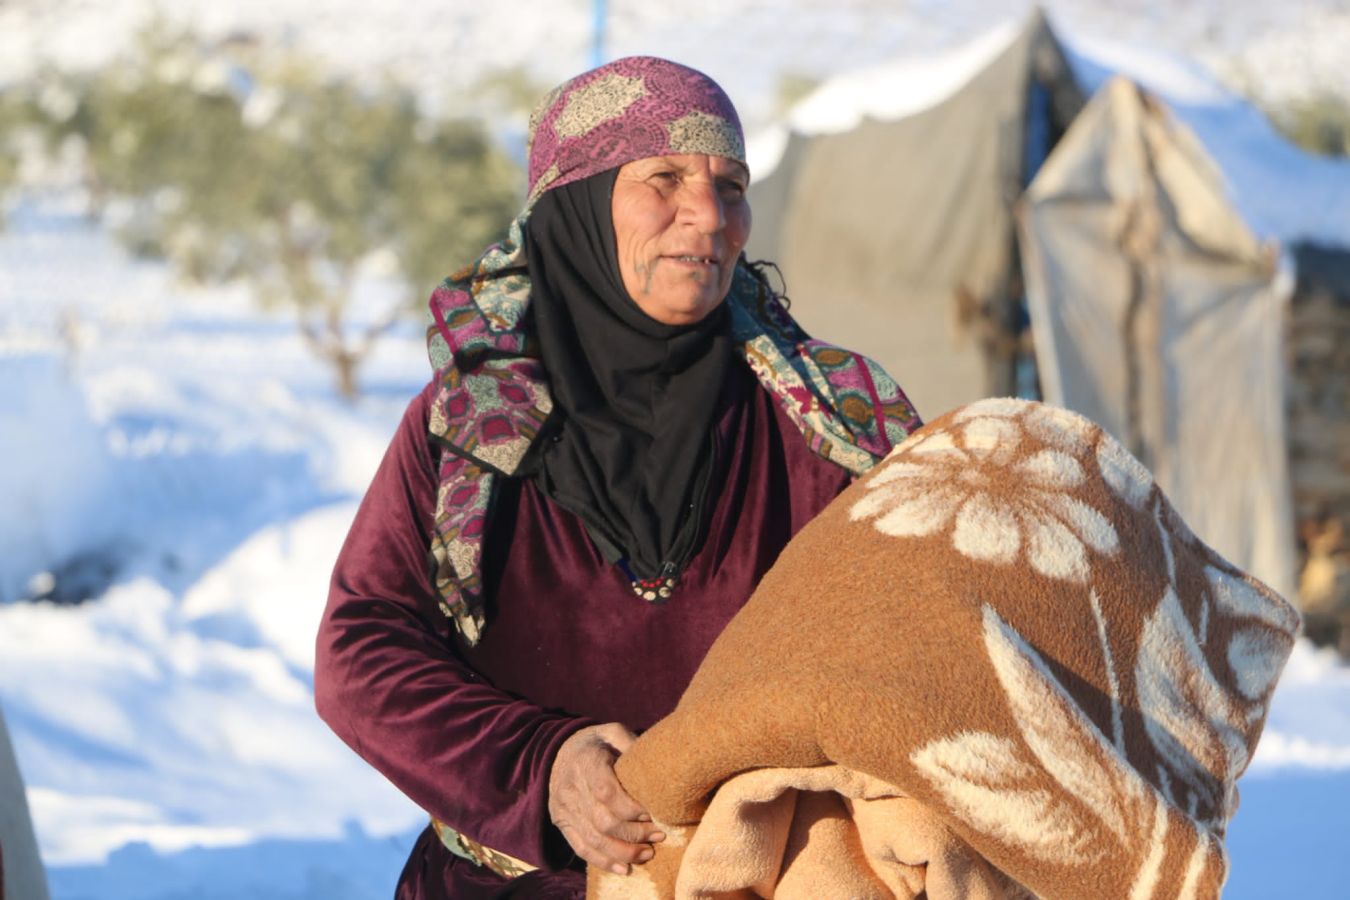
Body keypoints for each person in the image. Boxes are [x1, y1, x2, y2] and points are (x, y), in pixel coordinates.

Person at [314, 56, 921, 899]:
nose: (710, 217)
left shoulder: (829, 425)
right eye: (664, 178)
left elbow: (931, 632)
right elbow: (362, 651)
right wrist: (544, 766)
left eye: (732, 184)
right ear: (576, 207)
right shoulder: (470, 423)